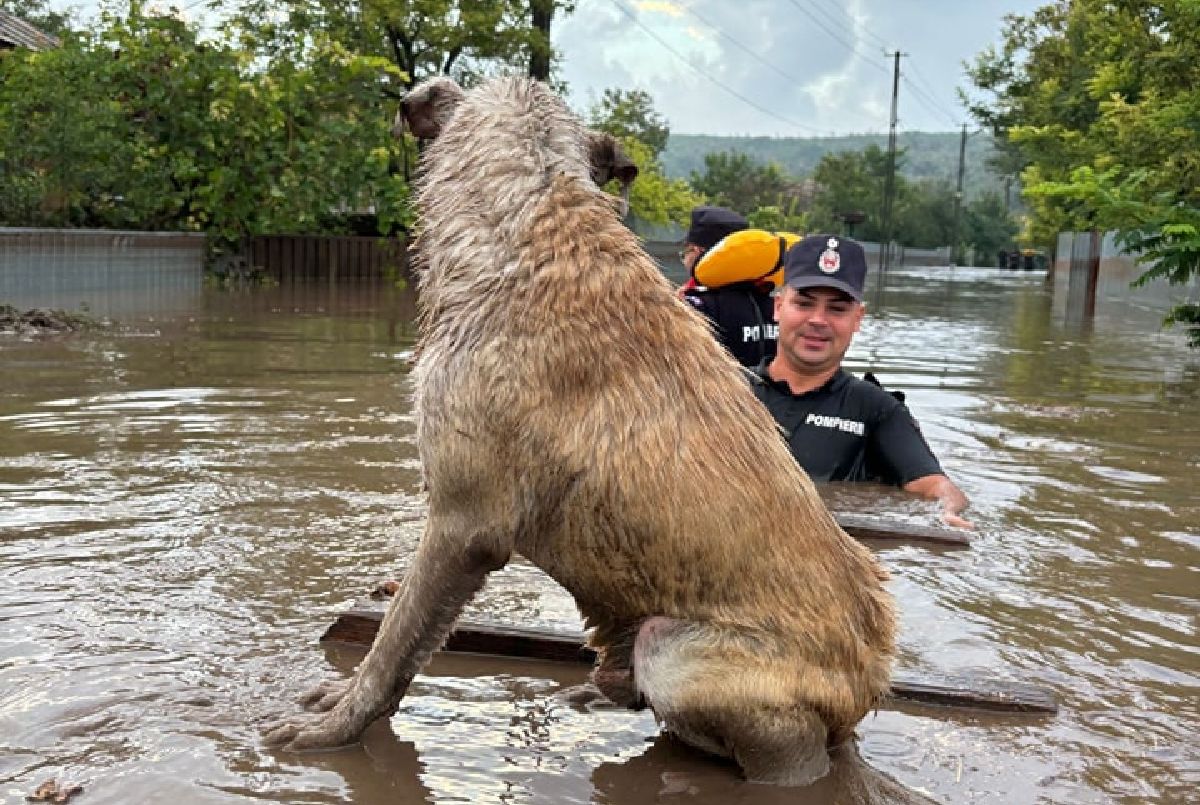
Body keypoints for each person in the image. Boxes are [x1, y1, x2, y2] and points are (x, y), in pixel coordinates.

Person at [748, 234, 973, 528]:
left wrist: (947, 511)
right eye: (804, 304)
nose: (818, 320)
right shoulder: (726, 389)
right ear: (778, 307)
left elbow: (934, 485)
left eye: (837, 309)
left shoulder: (875, 409)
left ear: (858, 318)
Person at [678, 205, 778, 367]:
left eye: (686, 253)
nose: (684, 260)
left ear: (696, 251)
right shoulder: (775, 304)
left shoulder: (698, 306)